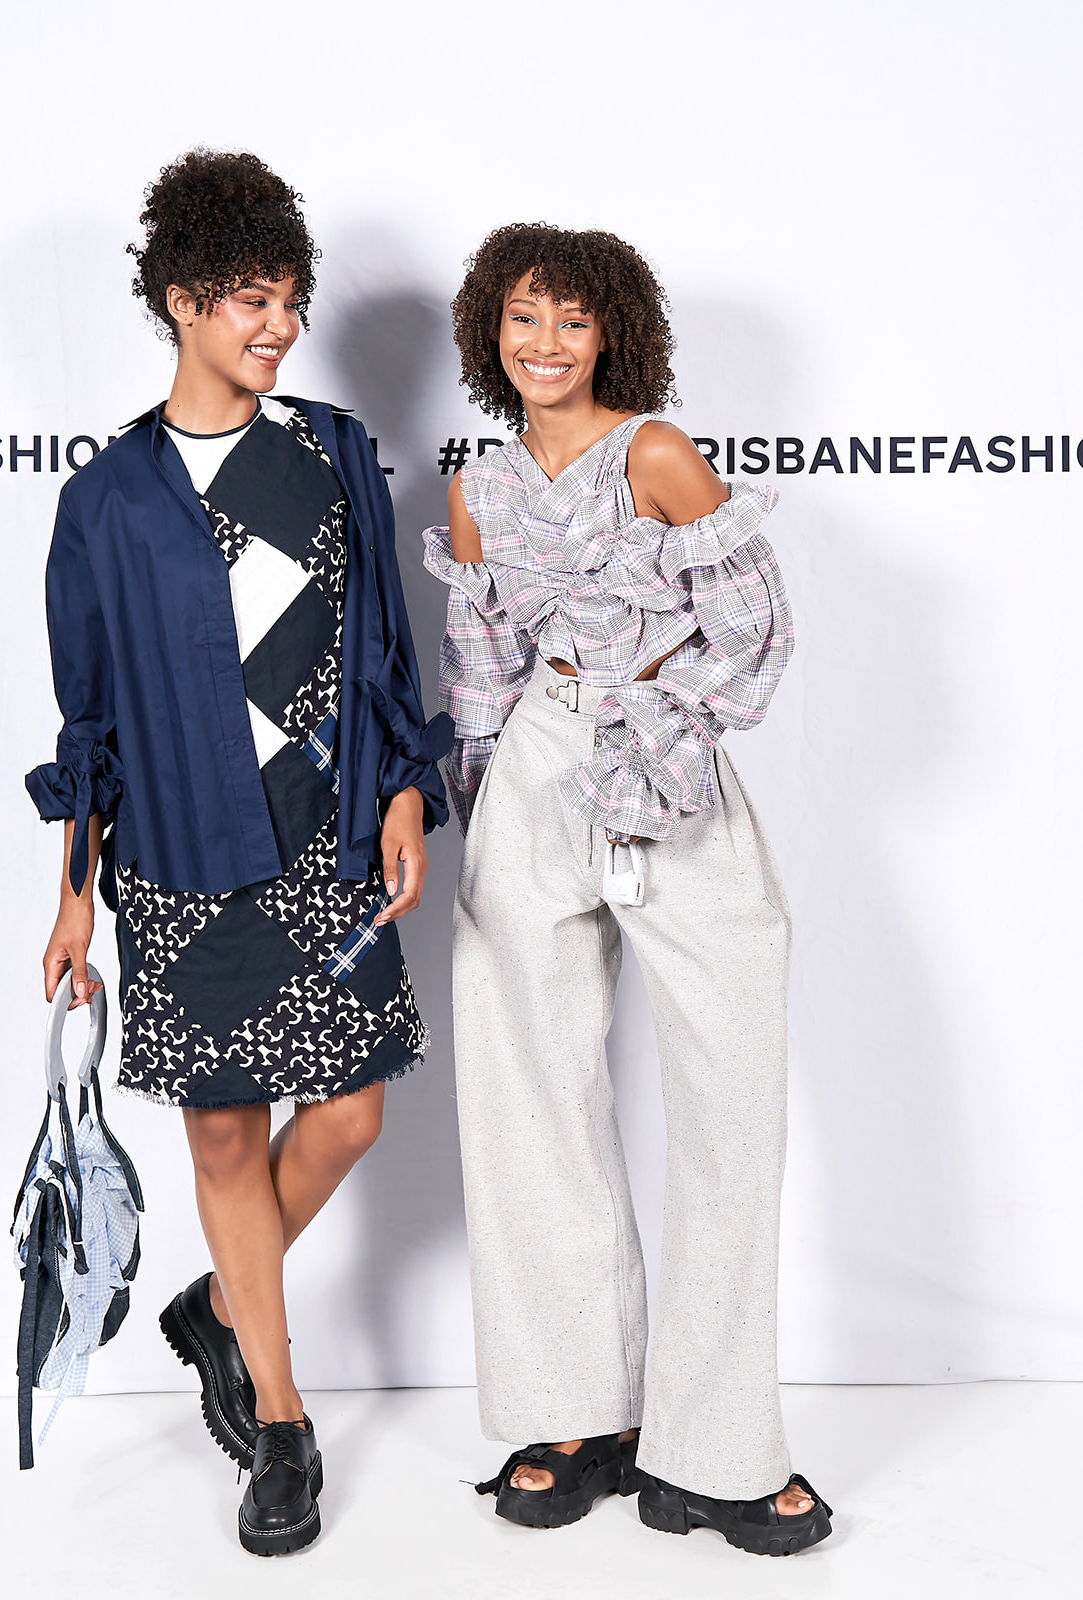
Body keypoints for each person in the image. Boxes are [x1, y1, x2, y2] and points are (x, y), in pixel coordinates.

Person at [26, 149, 451, 1557]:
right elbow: (89, 719)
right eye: (251, 301)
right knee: (224, 1130)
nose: (279, 326)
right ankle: (279, 1417)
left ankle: (217, 1306)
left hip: (326, 839)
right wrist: (73, 900)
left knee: (350, 1114)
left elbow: (385, 647)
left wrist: (404, 793)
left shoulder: (329, 452)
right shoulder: (107, 499)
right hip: (182, 858)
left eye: (289, 300)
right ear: (183, 300)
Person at [422, 224, 832, 1556]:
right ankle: (573, 1415)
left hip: (666, 761)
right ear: (490, 330)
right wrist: (486, 812)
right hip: (536, 770)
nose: (544, 343)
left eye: (572, 320)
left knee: (730, 1097)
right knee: (525, 1092)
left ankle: (718, 1450)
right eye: (522, 317)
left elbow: (758, 630)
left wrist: (662, 707)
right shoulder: (480, 487)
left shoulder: (655, 454)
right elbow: (481, 665)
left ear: (613, 334)